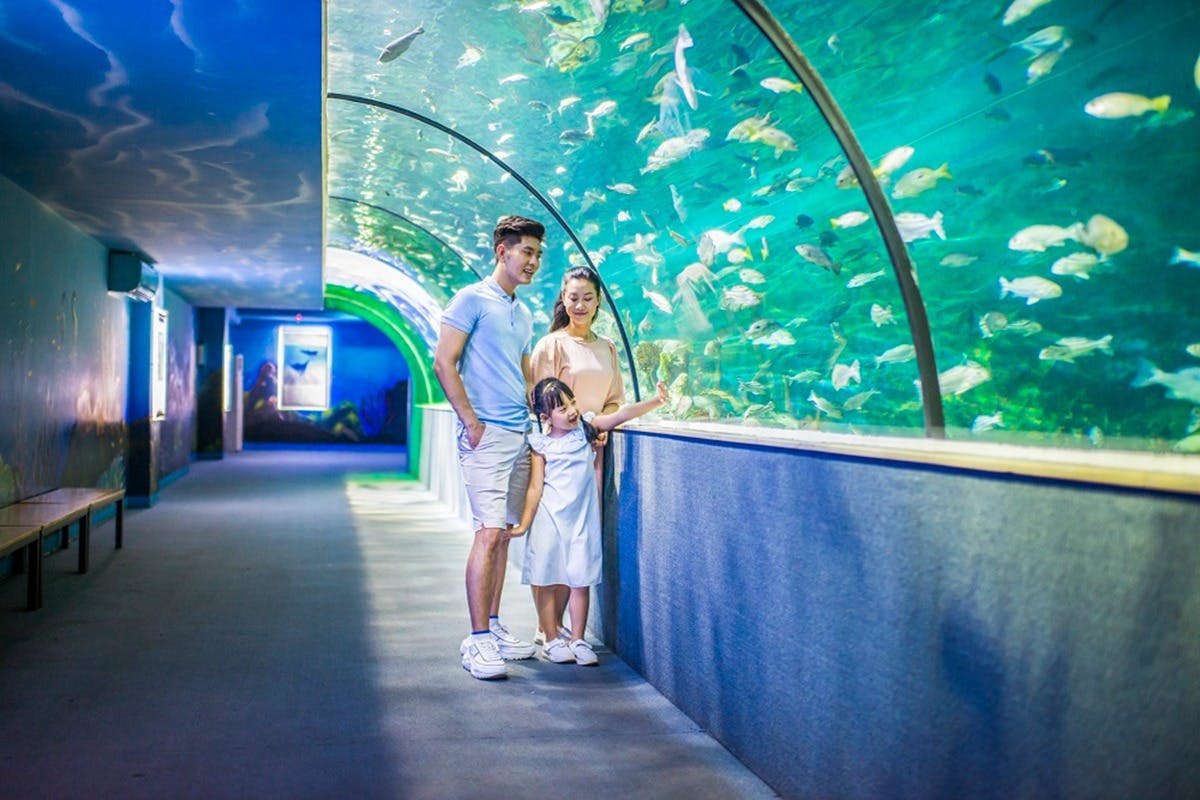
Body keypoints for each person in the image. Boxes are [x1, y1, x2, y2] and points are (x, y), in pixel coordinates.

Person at [433, 214, 545, 680]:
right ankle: (476, 640)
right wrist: (471, 423)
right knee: (486, 532)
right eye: (526, 252)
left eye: (538, 255)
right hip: (486, 436)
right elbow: (444, 361)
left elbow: (524, 373)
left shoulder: (524, 312)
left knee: (502, 534)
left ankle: (494, 625)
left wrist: (541, 421)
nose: (533, 262)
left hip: (519, 435)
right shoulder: (470, 299)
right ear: (502, 251)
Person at [512, 377, 668, 665]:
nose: (571, 410)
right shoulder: (541, 445)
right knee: (546, 578)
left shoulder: (587, 428)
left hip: (581, 519)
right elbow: (535, 488)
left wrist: (655, 402)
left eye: (572, 402)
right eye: (561, 408)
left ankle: (578, 638)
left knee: (580, 580)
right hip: (550, 517)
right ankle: (552, 638)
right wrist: (523, 524)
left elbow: (621, 415)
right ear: (545, 417)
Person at [529, 266, 624, 645]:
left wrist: (599, 427)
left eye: (587, 297)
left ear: (598, 300)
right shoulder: (551, 345)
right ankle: (546, 629)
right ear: (562, 299)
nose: (580, 305)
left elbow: (616, 398)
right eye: (573, 297)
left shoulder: (608, 348)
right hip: (557, 458)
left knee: (579, 545)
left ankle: (562, 629)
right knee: (550, 545)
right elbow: (538, 400)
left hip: (592, 456)